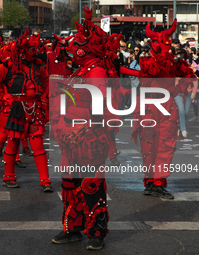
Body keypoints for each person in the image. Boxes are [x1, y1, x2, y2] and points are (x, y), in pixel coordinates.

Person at [50, 7, 122, 250]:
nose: (72, 47)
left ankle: (97, 231)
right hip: (72, 137)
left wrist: (72, 113)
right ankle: (73, 228)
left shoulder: (97, 71)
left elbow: (102, 106)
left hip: (91, 136)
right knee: (70, 183)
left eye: (77, 43)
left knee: (91, 184)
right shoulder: (82, 70)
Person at [121, 20, 197, 199]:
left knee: (166, 145)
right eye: (157, 43)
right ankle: (150, 182)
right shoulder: (148, 62)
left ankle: (157, 183)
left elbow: (189, 75)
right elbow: (145, 75)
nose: (162, 47)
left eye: (165, 43)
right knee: (149, 145)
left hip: (166, 108)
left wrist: (181, 82)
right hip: (148, 106)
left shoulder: (173, 62)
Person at [0, 30, 53, 192]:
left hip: (34, 109)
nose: (35, 52)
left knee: (38, 145)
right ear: (22, 51)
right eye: (31, 49)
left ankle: (45, 181)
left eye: (35, 49)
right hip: (16, 108)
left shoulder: (37, 65)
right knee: (13, 143)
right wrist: (1, 97)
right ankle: (8, 177)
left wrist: (41, 95)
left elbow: (45, 79)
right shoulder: (7, 65)